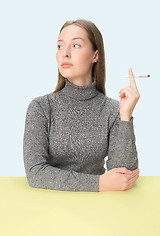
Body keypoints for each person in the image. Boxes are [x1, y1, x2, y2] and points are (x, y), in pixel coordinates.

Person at [23, 19, 140, 192]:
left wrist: (125, 117)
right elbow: (35, 172)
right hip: (48, 207)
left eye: (76, 45)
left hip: (99, 208)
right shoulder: (41, 107)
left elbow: (123, 177)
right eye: (60, 46)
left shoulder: (112, 110)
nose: (65, 53)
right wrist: (98, 183)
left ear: (95, 56)